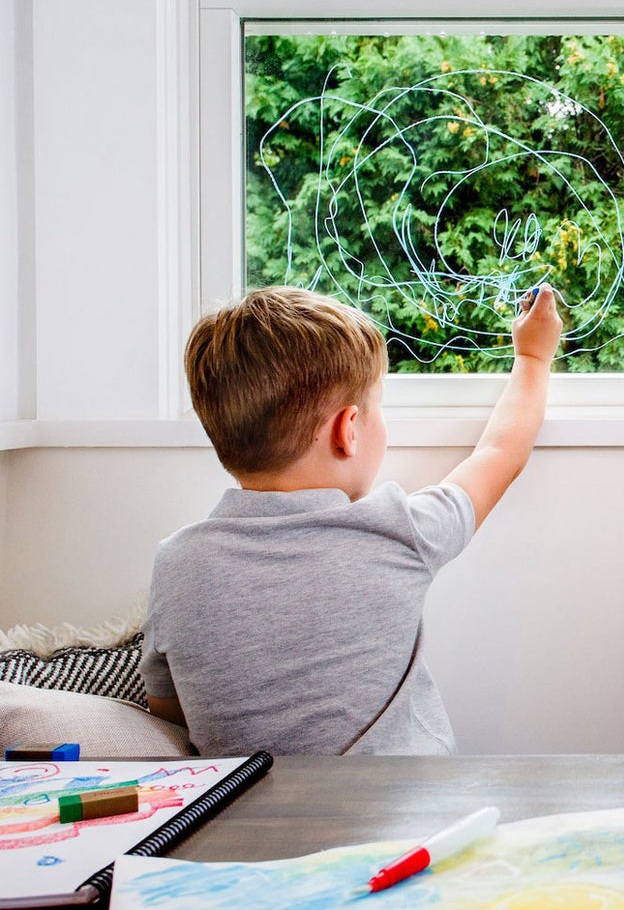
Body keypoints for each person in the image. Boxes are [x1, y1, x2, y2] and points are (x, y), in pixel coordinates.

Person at [141, 284, 562, 755]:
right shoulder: (398, 531)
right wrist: (533, 358)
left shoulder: (176, 563)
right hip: (407, 818)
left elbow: (167, 707)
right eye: (377, 407)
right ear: (348, 430)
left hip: (248, 821)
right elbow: (500, 454)